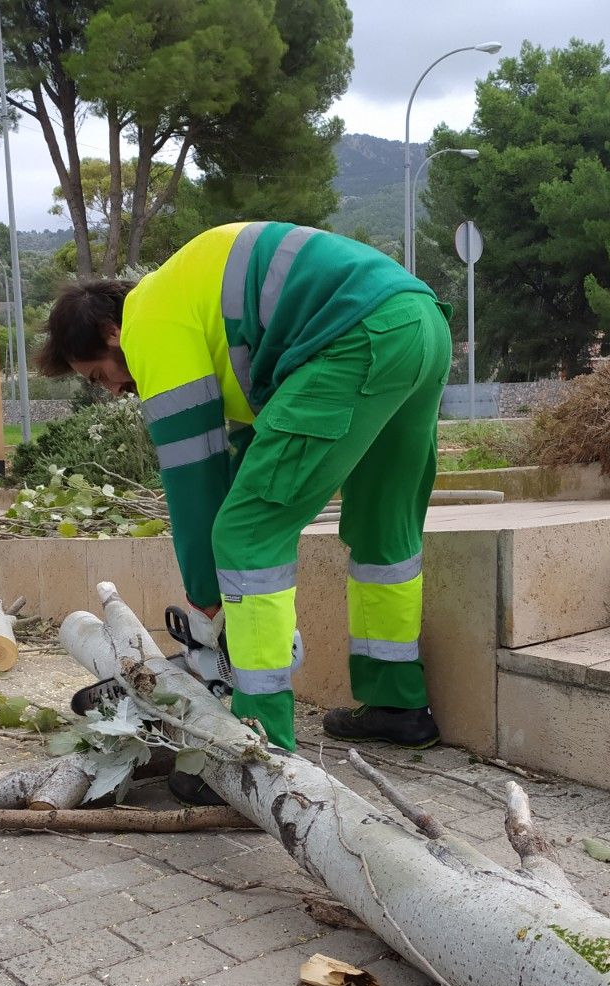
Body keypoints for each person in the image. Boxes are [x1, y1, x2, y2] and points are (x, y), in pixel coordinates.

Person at [36, 221, 450, 756]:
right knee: (382, 528)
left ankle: (260, 744)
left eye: (98, 377)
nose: (114, 392)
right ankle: (399, 705)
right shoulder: (197, 303)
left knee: (246, 535)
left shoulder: (147, 322)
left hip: (352, 336)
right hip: (419, 324)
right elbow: (246, 453)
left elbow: (192, 471)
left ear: (111, 334)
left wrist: (207, 598)